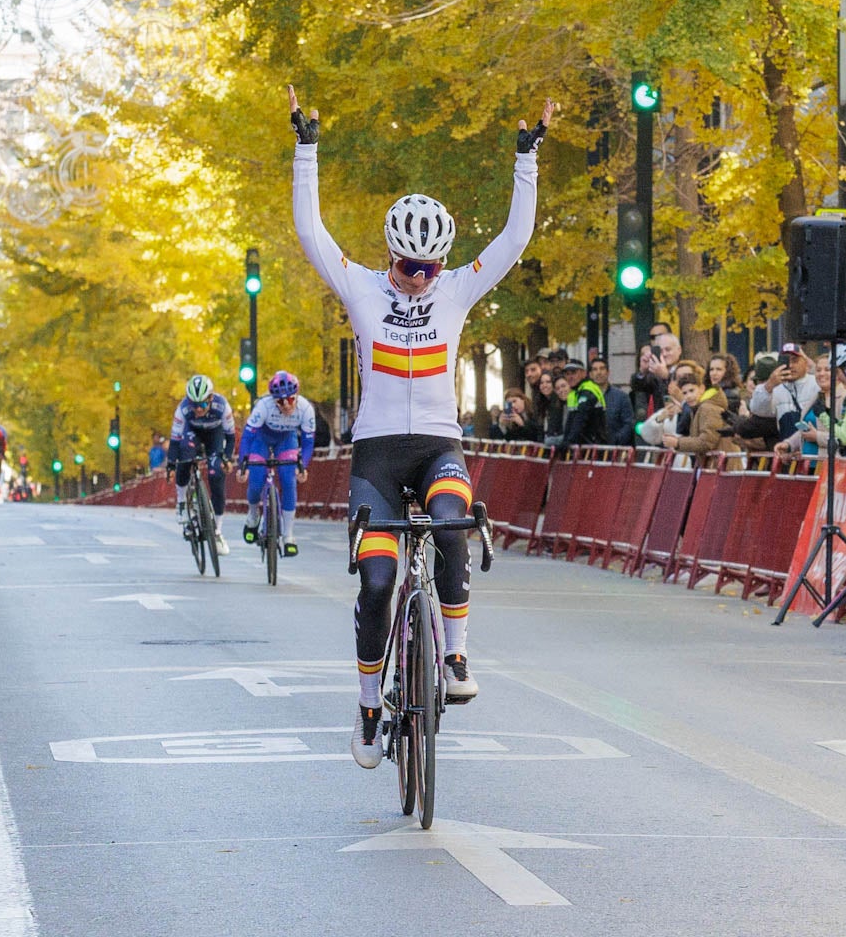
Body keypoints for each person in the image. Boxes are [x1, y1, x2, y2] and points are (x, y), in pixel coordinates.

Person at [289, 82, 552, 768]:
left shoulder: (457, 289)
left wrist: (527, 160)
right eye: (408, 267)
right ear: (388, 257)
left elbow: (514, 239)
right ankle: (370, 707)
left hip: (439, 446)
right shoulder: (359, 287)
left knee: (453, 524)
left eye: (430, 267)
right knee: (376, 582)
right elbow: (310, 233)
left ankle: (456, 655)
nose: (419, 278)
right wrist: (305, 151)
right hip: (376, 455)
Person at [237, 369, 316, 555]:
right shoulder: (263, 407)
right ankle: (253, 515)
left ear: (297, 396)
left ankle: (288, 534)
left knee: (289, 481)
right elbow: (247, 438)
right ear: (274, 400)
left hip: (286, 440)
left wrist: (302, 466)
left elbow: (308, 442)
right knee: (255, 481)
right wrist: (243, 465)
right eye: (281, 401)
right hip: (261, 440)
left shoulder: (306, 409)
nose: (287, 405)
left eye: (291, 399)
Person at [168, 374, 236, 553]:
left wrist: (227, 458)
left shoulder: (222, 407)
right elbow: (174, 441)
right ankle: (182, 502)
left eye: (203, 404)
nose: (198, 409)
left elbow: (230, 437)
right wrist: (170, 465)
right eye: (194, 405)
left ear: (211, 399)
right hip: (192, 433)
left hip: (215, 435)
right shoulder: (182, 410)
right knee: (185, 456)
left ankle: (217, 532)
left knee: (217, 474)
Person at [557, 358, 608, 450]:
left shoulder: (588, 390)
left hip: (594, 446)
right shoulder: (573, 393)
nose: (570, 377)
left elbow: (580, 418)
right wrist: (565, 441)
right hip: (582, 446)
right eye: (567, 374)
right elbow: (570, 421)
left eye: (573, 373)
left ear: (583, 373)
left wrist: (568, 442)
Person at [591, 357, 636, 446]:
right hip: (591, 449)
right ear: (590, 374)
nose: (599, 372)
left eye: (602, 368)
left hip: (615, 450)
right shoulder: (586, 397)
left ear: (608, 372)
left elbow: (628, 423)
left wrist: (615, 441)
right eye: (595, 369)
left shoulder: (621, 397)